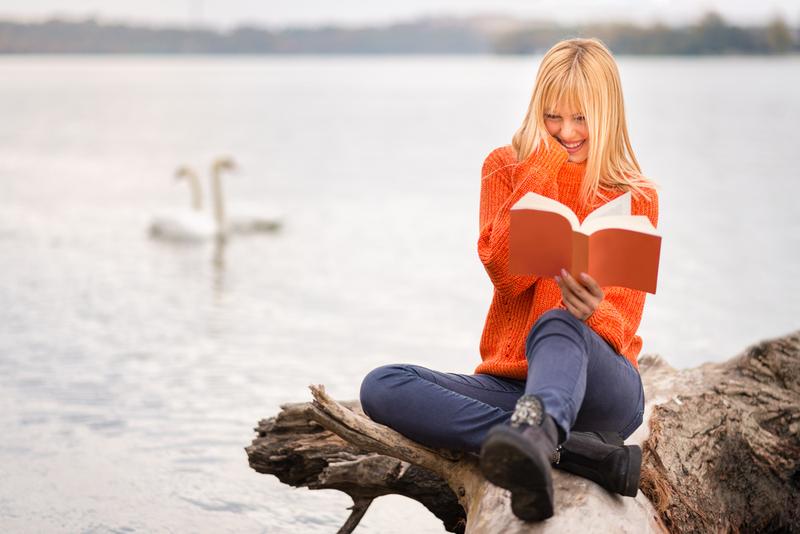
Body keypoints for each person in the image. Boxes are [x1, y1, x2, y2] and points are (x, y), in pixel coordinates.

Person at [359, 38, 659, 522]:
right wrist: (541, 166)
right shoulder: (506, 167)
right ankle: (565, 451)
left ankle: (540, 440)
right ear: (535, 109)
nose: (566, 131)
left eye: (581, 118)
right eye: (552, 116)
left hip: (604, 389)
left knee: (557, 324)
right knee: (383, 386)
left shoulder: (636, 195)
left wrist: (588, 312)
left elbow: (623, 327)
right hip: (513, 388)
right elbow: (505, 275)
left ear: (607, 115)